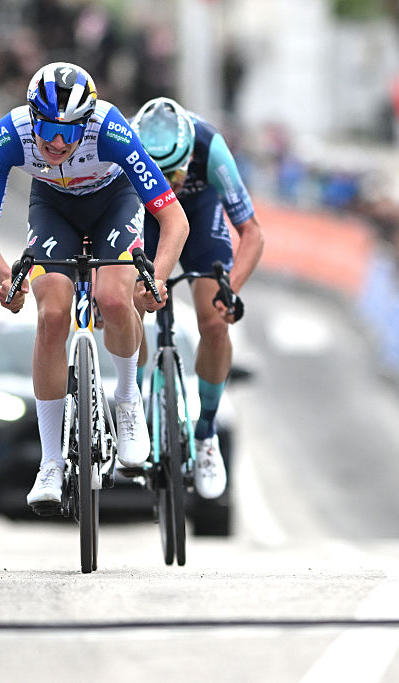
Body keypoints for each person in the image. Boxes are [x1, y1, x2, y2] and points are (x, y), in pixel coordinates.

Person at [0, 62, 189, 510]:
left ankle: (127, 399)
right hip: (53, 207)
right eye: (48, 129)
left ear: (86, 124)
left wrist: (158, 279)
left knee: (114, 298)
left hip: (115, 202)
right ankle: (50, 461)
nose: (56, 143)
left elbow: (174, 220)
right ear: (32, 118)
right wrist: (7, 279)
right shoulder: (8, 136)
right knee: (51, 316)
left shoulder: (111, 130)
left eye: (69, 132)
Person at [130, 97, 264, 500]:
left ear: (191, 155)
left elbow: (252, 233)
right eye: (158, 173)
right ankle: (132, 409)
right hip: (145, 217)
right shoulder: (124, 143)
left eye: (176, 172)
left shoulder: (209, 145)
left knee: (215, 321)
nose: (168, 182)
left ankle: (206, 434)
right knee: (128, 303)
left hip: (200, 215)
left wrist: (231, 289)